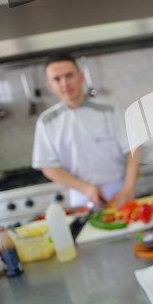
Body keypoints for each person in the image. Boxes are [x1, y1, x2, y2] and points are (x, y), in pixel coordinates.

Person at [32, 53, 140, 209]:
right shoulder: (46, 122)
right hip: (82, 196)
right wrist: (86, 189)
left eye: (69, 75)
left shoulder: (109, 111)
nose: (65, 84)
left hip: (120, 191)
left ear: (81, 77)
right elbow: (48, 167)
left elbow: (134, 148)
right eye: (57, 79)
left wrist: (128, 189)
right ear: (50, 85)